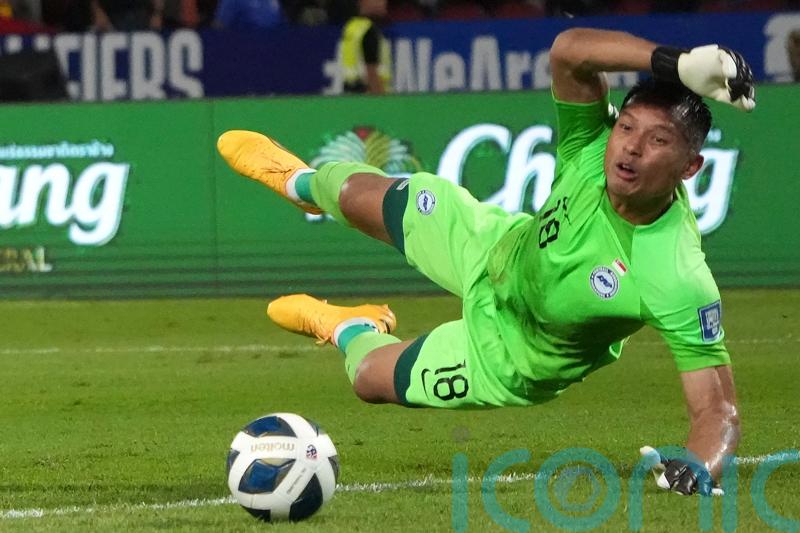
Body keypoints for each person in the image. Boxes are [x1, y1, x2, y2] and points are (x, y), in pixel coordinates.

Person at [216, 27, 755, 496]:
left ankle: (349, 326)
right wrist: (677, 63)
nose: (631, 148)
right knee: (358, 191)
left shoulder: (678, 276)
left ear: (690, 167)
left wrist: (697, 466)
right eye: (628, 127)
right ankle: (298, 183)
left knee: (369, 378)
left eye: (658, 140)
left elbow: (718, 411)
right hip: (494, 248)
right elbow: (570, 51)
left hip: (513, 353)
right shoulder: (593, 145)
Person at [338, 0, 391, 94]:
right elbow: (372, 75)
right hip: (369, 100)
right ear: (363, 2)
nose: (384, 3)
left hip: (352, 98)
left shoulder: (351, 27)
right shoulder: (369, 31)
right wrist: (383, 104)